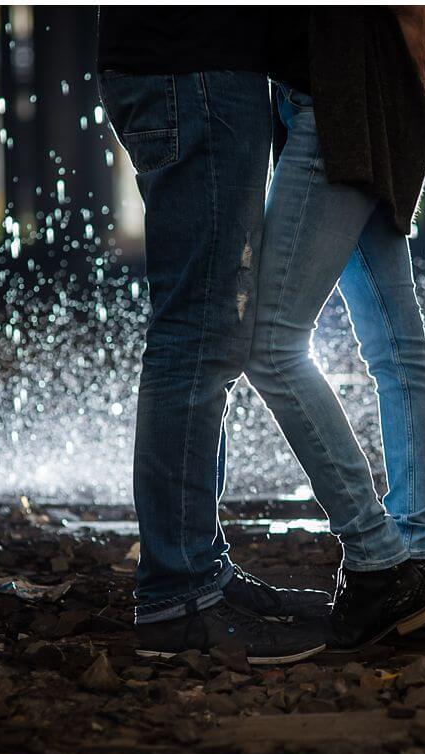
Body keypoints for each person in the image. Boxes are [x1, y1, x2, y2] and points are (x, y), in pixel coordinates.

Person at [97, 8, 332, 664]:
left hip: (188, 64)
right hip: (192, 67)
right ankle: (179, 595)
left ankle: (201, 570)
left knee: (207, 330)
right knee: (197, 329)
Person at [246, 7, 425, 651]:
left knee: (269, 343)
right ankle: (415, 557)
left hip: (334, 94)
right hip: (351, 85)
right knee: (397, 342)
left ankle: (377, 559)